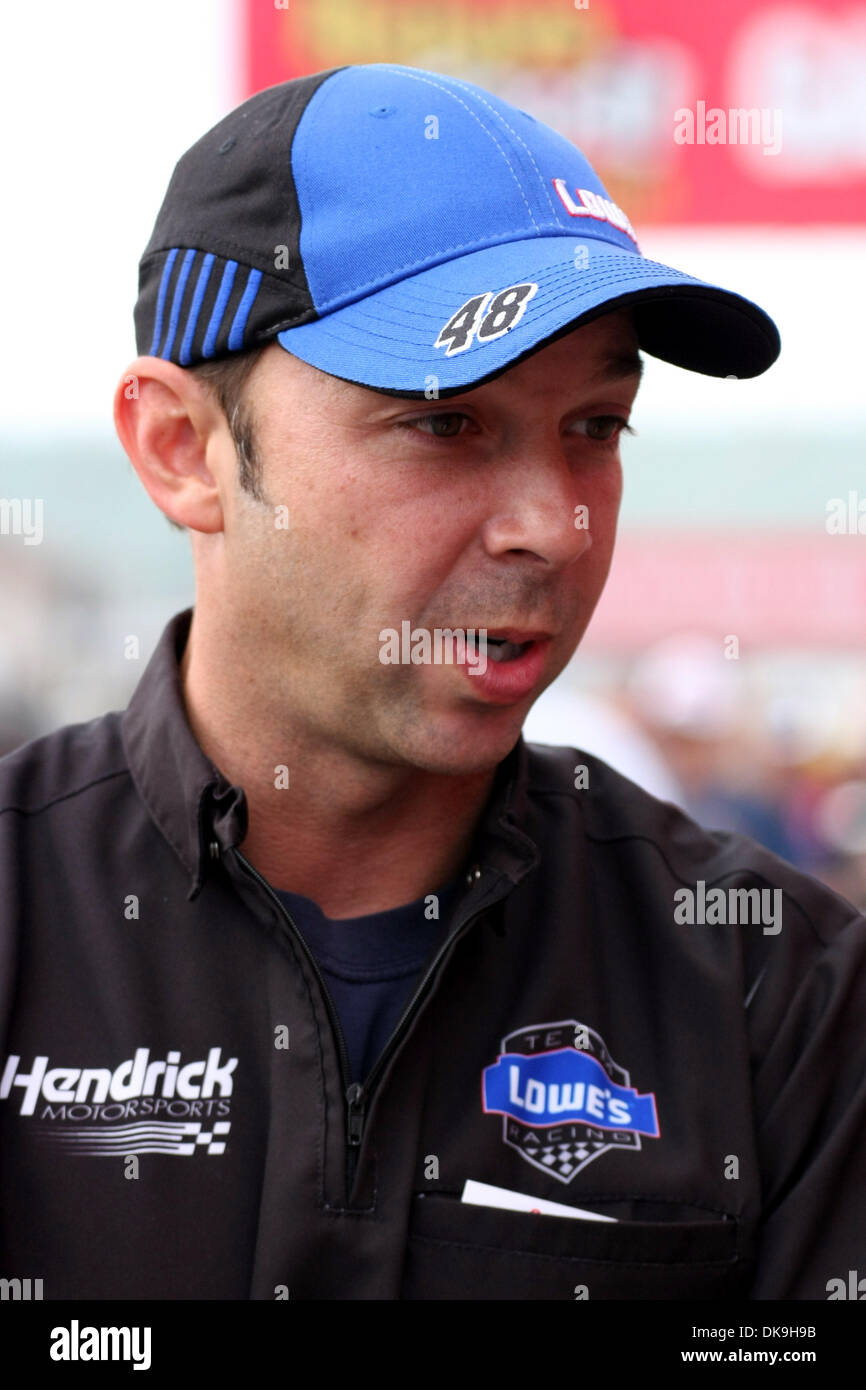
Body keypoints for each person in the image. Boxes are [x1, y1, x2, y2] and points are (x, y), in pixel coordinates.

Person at [1, 62, 864, 1302]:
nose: (553, 526)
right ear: (182, 449)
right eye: (444, 420)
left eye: (594, 428)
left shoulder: (779, 992)